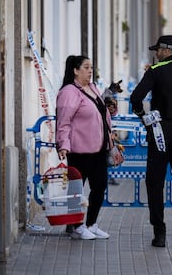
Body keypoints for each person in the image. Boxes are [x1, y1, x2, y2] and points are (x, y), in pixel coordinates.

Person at [130, 35, 172, 248]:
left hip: (160, 132)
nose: (155, 53)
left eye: (157, 49)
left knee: (155, 183)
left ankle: (159, 234)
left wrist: (145, 119)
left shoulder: (156, 70)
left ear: (166, 50)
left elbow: (135, 98)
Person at [56, 55, 111, 240]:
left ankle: (91, 223)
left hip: (99, 149)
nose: (90, 71)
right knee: (76, 189)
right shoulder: (69, 92)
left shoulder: (92, 88)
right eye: (86, 67)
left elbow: (99, 113)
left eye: (91, 67)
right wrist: (63, 144)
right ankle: (77, 226)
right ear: (75, 70)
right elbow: (63, 121)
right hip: (79, 150)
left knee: (100, 186)